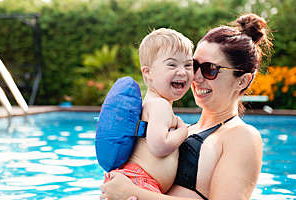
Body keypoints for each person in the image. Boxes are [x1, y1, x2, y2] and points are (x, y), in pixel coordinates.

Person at [100, 13, 273, 200]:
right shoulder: (180, 128)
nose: (195, 77)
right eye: (194, 65)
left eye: (210, 69)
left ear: (242, 81)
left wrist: (132, 193)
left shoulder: (241, 136)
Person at [103, 28, 195, 194]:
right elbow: (159, 146)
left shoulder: (150, 104)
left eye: (188, 65)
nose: (182, 71)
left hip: (134, 179)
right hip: (141, 183)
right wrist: (183, 132)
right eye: (172, 64)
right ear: (148, 73)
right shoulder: (160, 105)